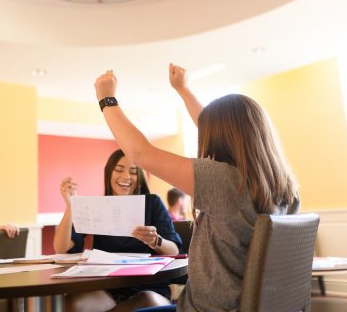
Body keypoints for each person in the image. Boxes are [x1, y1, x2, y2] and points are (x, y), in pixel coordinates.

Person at [94, 63, 300, 311]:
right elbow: (211, 125)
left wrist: (106, 99)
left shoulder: (224, 181)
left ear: (219, 136)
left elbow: (140, 153)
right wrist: (183, 89)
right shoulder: (283, 188)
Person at [54, 149, 183, 312]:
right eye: (119, 169)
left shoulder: (152, 203)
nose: (126, 176)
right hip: (108, 289)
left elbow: (174, 250)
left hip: (149, 289)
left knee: (147, 301)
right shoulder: (97, 207)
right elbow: (61, 248)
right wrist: (70, 205)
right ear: (109, 173)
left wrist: (156, 240)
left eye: (133, 172)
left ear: (140, 178)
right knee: (74, 301)